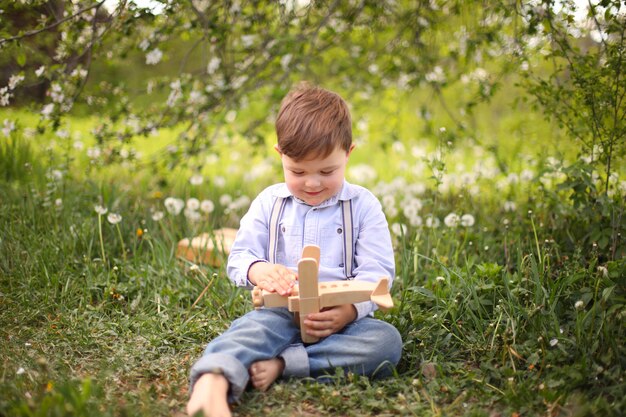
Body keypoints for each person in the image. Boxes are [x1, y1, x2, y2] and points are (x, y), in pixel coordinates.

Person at [186, 84, 402, 417]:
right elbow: (239, 257)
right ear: (280, 155)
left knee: (386, 342)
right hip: (281, 312)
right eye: (298, 171)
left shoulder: (363, 206)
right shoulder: (269, 203)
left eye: (327, 171)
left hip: (341, 321)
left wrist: (347, 312)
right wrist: (259, 270)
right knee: (251, 330)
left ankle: (284, 363)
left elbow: (378, 273)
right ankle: (212, 381)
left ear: (348, 153)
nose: (312, 183)